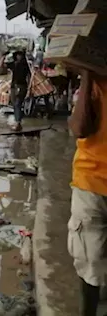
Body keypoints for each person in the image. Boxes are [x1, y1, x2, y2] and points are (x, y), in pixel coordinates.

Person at [68, 69, 107, 316]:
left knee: (91, 260)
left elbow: (79, 127)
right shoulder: (96, 85)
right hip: (91, 185)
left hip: (90, 182)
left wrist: (86, 74)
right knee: (91, 260)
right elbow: (80, 127)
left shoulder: (94, 83)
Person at [4, 50, 31, 131]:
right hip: (14, 86)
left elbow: (29, 76)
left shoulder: (25, 65)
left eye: (20, 55)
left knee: (17, 104)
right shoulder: (14, 64)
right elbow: (3, 66)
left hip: (21, 86)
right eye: (17, 55)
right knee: (15, 105)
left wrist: (29, 88)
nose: (18, 57)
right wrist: (3, 57)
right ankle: (18, 122)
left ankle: (18, 123)